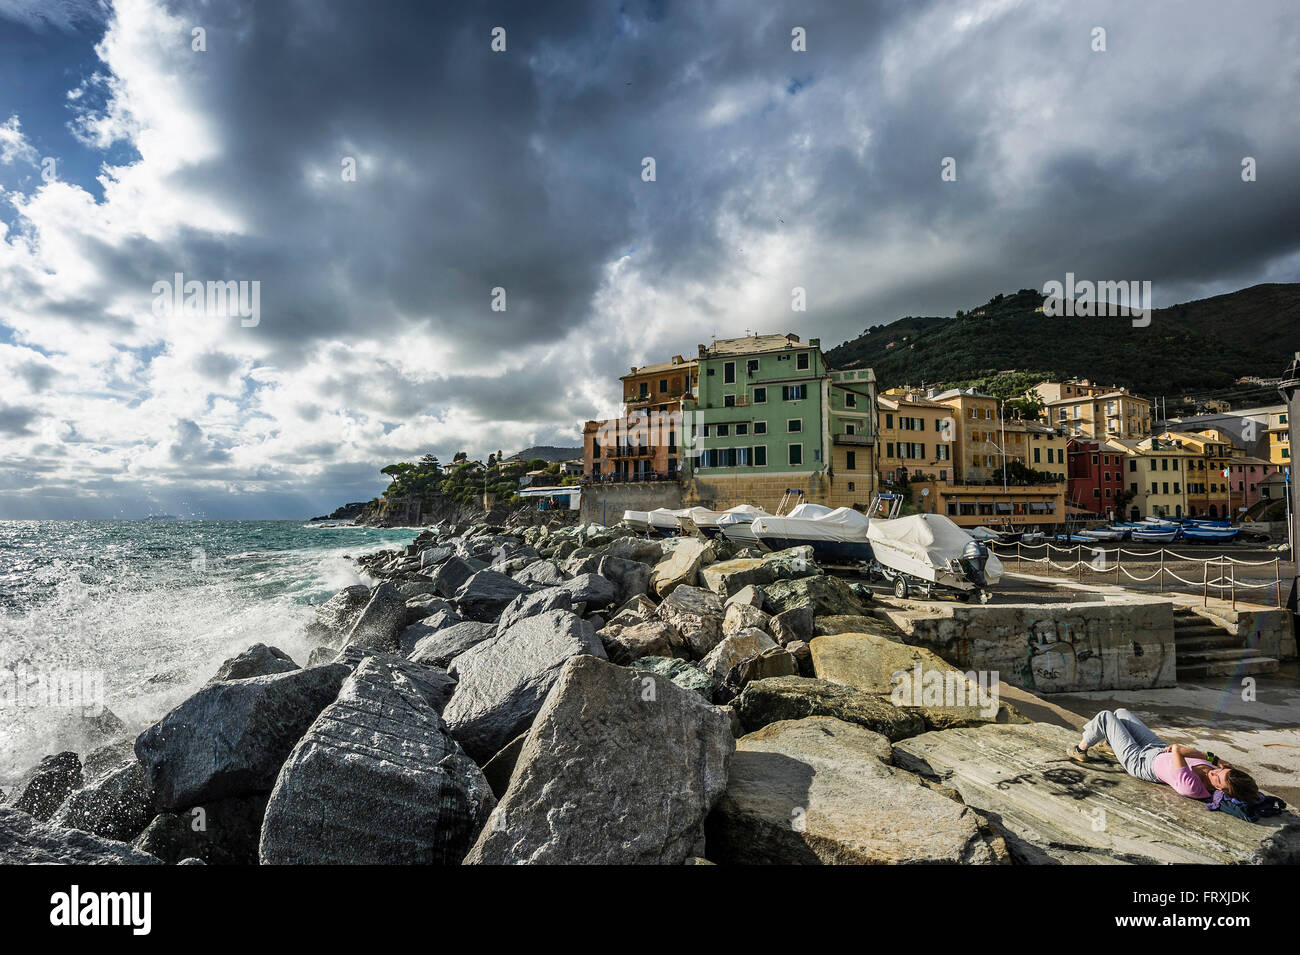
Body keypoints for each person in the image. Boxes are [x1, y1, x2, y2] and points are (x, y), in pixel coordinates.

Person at [1070, 708, 1259, 803]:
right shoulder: (1220, 771)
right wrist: (1218, 762)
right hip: (1157, 748)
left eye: (1218, 781)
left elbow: (1178, 749)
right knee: (1121, 713)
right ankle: (1112, 744)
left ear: (1222, 791)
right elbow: (1184, 751)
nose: (1214, 773)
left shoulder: (1192, 787)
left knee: (1105, 716)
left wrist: (1211, 758)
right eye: (1220, 772)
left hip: (1140, 762)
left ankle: (1079, 750)